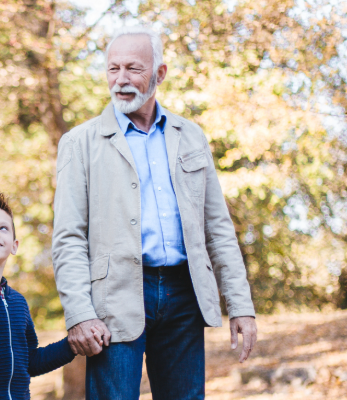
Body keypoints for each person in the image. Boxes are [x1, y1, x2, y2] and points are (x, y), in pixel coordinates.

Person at [52, 24, 259, 400]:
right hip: (114, 295)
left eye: (133, 68)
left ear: (159, 73)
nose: (121, 79)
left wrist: (241, 305)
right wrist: (80, 313)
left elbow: (218, 228)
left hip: (184, 293)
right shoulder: (79, 143)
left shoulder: (191, 135)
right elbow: (67, 237)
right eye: (113, 69)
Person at [0, 193, 84, 400]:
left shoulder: (18, 302)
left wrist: (72, 344)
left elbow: (31, 362)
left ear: (14, 245)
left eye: (3, 228)